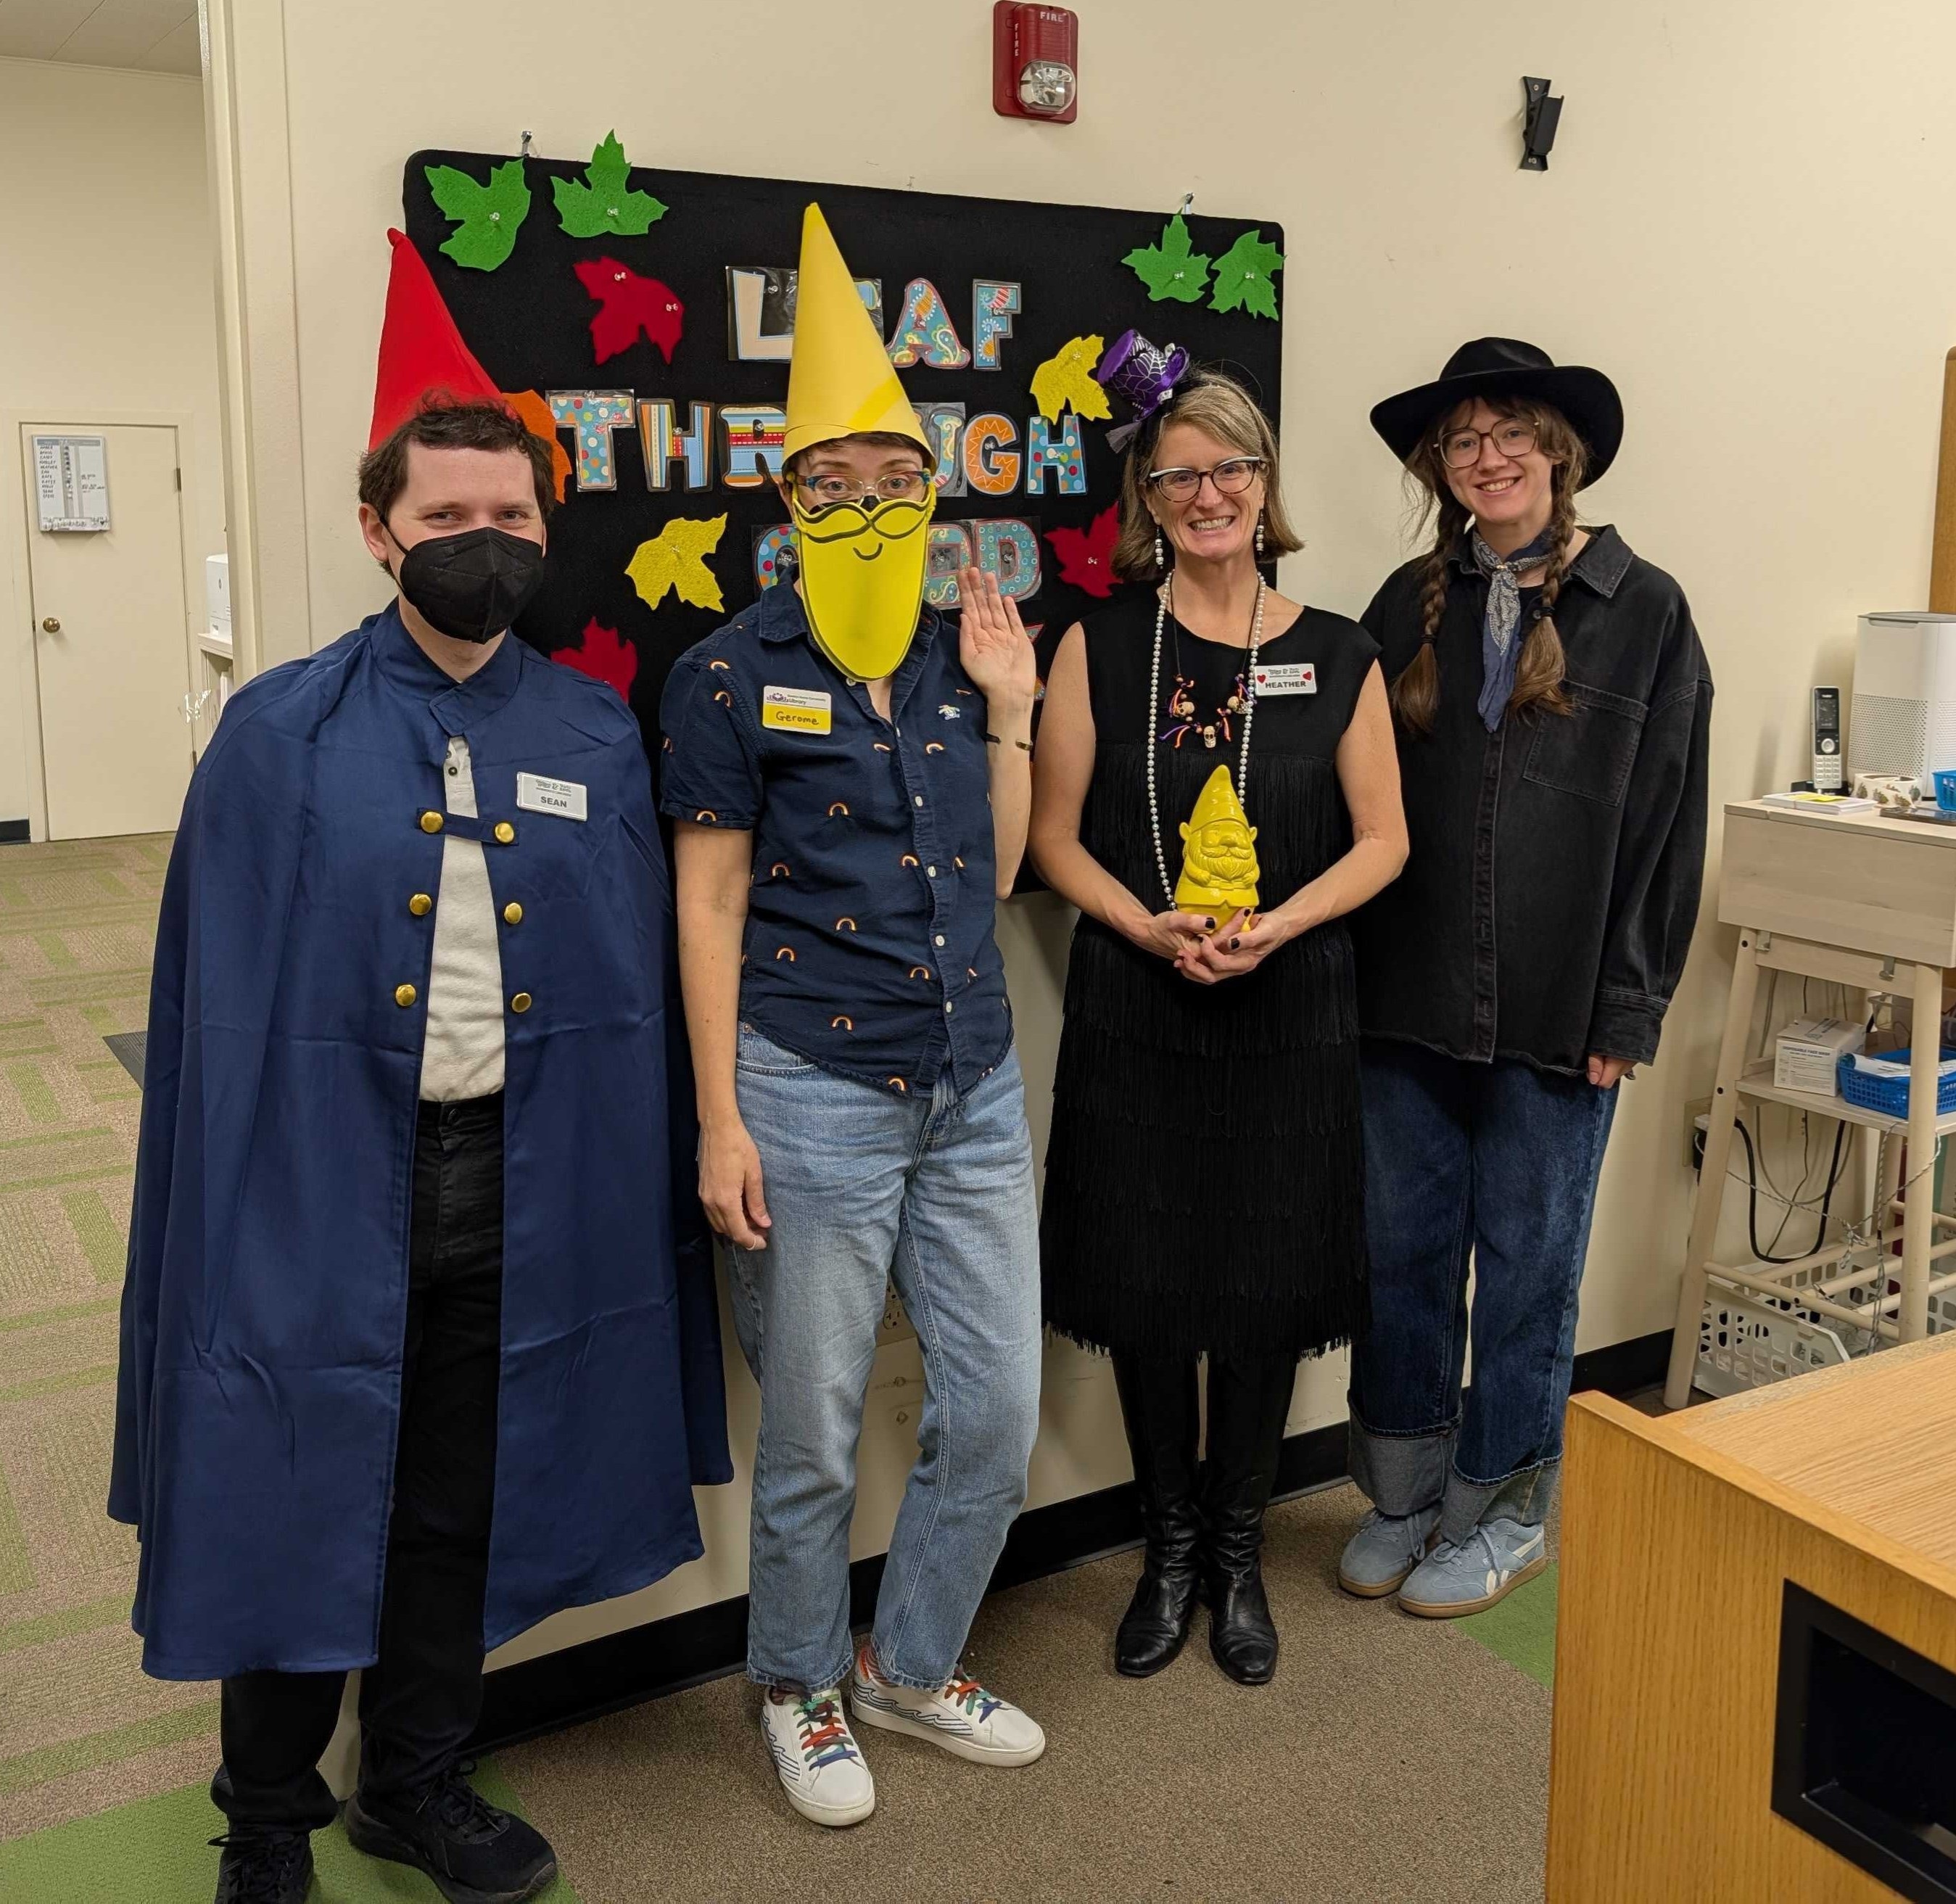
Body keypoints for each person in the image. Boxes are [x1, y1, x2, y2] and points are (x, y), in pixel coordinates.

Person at [112, 235, 730, 1904]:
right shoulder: (281, 731)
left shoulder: (598, 730)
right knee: (296, 1473)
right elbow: (213, 1007)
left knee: (465, 1483)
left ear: (546, 527)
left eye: (509, 517)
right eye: (446, 518)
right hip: (320, 1174)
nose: (481, 543)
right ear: (379, 528)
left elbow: (630, 996)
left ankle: (418, 1781)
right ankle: (263, 1814)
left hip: (518, 1176)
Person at [660, 203, 1046, 1831]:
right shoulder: (727, 674)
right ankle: (797, 1684)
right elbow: (708, 902)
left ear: (933, 491)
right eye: (836, 480)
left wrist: (1015, 712)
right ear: (786, 494)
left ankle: (910, 1658)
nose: (871, 503)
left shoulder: (970, 658)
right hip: (805, 1084)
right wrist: (720, 1117)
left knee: (999, 1403)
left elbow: (1008, 870)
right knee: (812, 1427)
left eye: (898, 479)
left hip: (971, 1077)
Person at [1032, 335, 1408, 1685]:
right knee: (1144, 1288)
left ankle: (1240, 1556)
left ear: (1264, 483)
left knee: (1257, 1290)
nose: (1206, 494)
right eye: (1178, 473)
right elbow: (1051, 837)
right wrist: (1144, 924)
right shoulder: (1097, 640)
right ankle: (1168, 1550)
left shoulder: (1340, 649)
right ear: (1145, 496)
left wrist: (1273, 928)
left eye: (1229, 468)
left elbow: (1381, 842)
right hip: (1137, 1005)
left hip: (1286, 1012)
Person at [1340, 337, 1711, 1617]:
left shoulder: (1645, 609)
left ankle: (1500, 1509)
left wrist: (1627, 1002)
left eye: (1510, 434)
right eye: (1461, 441)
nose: (1486, 457)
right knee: (1401, 1256)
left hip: (1558, 1014)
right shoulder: (1404, 605)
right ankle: (1399, 1491)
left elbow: (1667, 822)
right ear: (1440, 469)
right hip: (1405, 998)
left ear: (1560, 452)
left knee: (1528, 1266)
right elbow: (1354, 796)